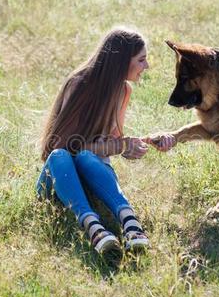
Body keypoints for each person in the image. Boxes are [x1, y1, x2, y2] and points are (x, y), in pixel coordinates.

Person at [37, 27, 176, 255]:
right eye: (141, 60)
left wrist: (144, 141)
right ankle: (93, 228)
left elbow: (111, 142)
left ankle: (131, 223)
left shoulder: (123, 91)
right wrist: (121, 146)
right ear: (121, 61)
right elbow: (61, 147)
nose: (146, 66)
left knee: (86, 156)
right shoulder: (79, 84)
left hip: (93, 174)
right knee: (64, 155)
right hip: (59, 178)